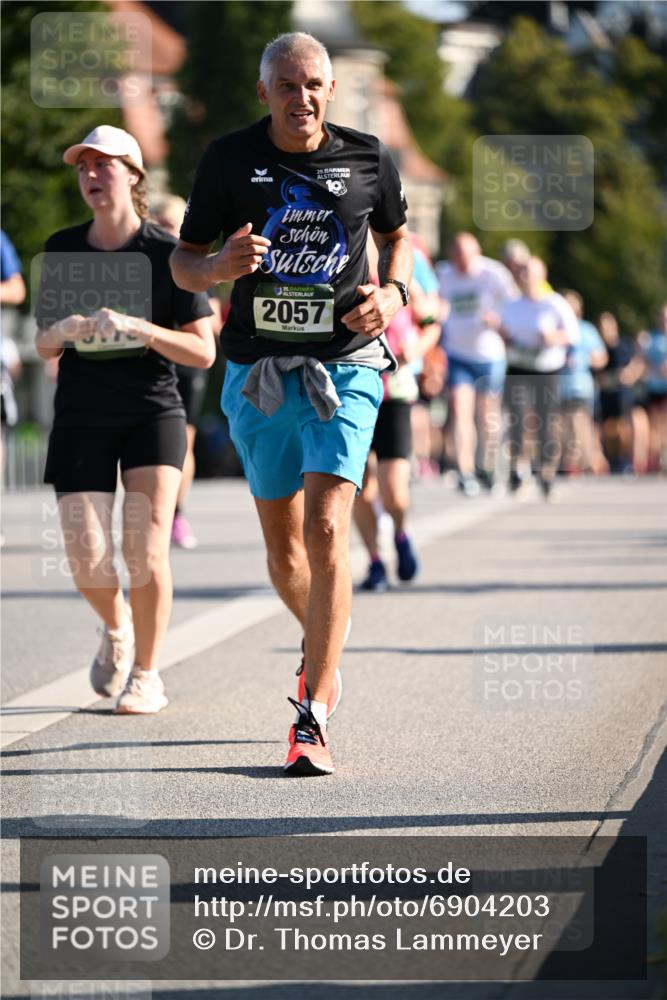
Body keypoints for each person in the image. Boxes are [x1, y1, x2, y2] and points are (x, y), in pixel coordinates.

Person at [170, 32, 412, 776]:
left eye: (312, 84)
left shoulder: (368, 157)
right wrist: (215, 267)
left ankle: (310, 712)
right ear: (263, 91)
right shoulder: (226, 160)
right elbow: (183, 266)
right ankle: (326, 654)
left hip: (343, 367)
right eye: (285, 85)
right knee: (283, 551)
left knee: (328, 524)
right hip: (257, 371)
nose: (300, 98)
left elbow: (396, 235)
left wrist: (394, 293)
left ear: (330, 89)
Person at [35, 125, 215, 714]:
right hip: (83, 414)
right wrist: (62, 332)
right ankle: (116, 627)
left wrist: (141, 329)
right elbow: (42, 343)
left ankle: (147, 673)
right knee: (87, 556)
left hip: (151, 411)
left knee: (145, 550)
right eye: (83, 166)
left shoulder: (167, 253)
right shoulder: (63, 248)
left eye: (104, 164)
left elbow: (203, 350)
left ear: (133, 175)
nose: (91, 175)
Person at [151, 194, 223, 548]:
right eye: (160, 224)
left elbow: (213, 323)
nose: (166, 231)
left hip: (188, 362)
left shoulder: (194, 266)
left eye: (172, 225)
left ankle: (176, 513)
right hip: (152, 361)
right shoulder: (144, 264)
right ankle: (150, 512)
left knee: (184, 441)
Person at [437, 232, 517, 495]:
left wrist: (498, 320)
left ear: (477, 253)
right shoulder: (445, 274)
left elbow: (515, 304)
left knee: (487, 414)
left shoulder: (493, 273)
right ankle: (465, 470)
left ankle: (488, 465)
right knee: (460, 410)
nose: (462, 263)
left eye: (467, 257)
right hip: (457, 353)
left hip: (489, 355)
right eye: (457, 257)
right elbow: (437, 305)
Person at [500, 257, 579, 498]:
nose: (525, 276)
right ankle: (518, 469)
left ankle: (546, 473)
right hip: (518, 367)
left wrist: (552, 337)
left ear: (542, 275)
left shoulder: (555, 303)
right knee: (517, 420)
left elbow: (573, 335)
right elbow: (504, 333)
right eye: (522, 272)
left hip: (547, 369)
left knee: (545, 422)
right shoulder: (512, 304)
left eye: (530, 272)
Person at [558, 290, 607, 475]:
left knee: (578, 420)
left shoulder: (586, 330)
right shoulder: (557, 329)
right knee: (563, 425)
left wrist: (584, 360)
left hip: (580, 385)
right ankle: (571, 460)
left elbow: (601, 358)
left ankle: (577, 461)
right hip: (558, 385)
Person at [637, 303, 667, 473]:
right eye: (663, 318)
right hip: (655, 387)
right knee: (655, 426)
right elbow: (643, 362)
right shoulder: (651, 338)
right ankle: (656, 459)